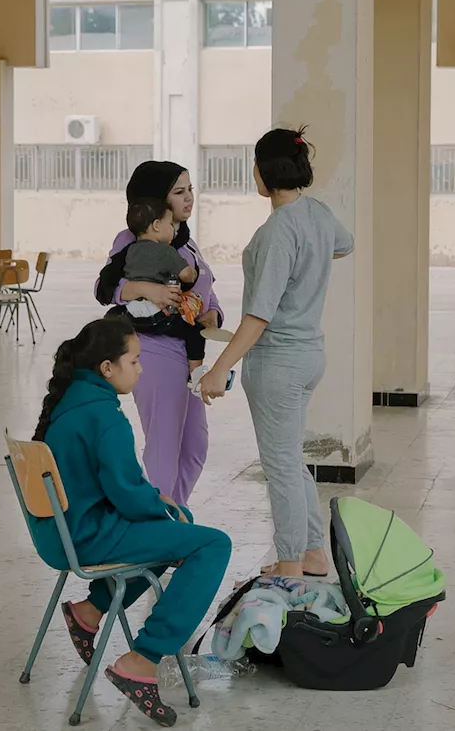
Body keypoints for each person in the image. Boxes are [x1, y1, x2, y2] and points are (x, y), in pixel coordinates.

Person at [27, 316, 231, 727]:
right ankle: (142, 659)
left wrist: (165, 509)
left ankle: (90, 609)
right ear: (107, 367)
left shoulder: (72, 400)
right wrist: (165, 508)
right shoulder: (105, 417)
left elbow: (123, 490)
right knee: (211, 544)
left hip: (61, 533)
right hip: (88, 537)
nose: (141, 369)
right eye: (135, 361)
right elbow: (128, 493)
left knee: (179, 529)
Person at [196, 127, 353, 580]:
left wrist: (218, 370)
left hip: (279, 362)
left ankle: (290, 565)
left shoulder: (278, 232)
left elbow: (258, 316)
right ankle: (313, 553)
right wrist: (311, 266)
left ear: (264, 172)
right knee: (290, 458)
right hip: (309, 358)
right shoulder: (318, 215)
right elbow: (345, 244)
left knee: (280, 466)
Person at [95, 161, 222, 506]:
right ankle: (163, 531)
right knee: (164, 446)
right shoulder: (132, 239)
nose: (189, 198)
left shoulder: (185, 240)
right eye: (179, 192)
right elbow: (107, 287)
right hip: (153, 349)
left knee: (194, 447)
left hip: (189, 352)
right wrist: (142, 289)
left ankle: (172, 520)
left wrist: (213, 313)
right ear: (155, 202)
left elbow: (206, 286)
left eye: (190, 189)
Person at [120, 196, 207, 380]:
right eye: (170, 224)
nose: (174, 231)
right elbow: (186, 275)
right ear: (157, 225)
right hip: (158, 316)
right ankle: (197, 376)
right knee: (196, 332)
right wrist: (193, 272)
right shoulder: (167, 251)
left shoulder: (130, 250)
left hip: (132, 315)